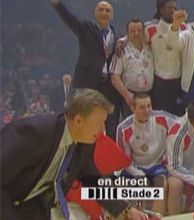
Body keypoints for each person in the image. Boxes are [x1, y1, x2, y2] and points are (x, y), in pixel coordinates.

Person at [1, 89, 147, 219]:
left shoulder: (83, 143)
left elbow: (92, 180)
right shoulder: (34, 134)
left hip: (33, 207)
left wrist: (125, 209)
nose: (103, 129)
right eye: (100, 122)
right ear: (78, 120)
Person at [51, 0, 120, 138]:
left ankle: (105, 157)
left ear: (112, 15)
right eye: (101, 9)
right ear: (95, 13)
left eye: (107, 10)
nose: (104, 13)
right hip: (87, 84)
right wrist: (58, 5)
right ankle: (81, 156)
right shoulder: (86, 29)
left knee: (109, 125)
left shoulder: (116, 36)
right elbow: (71, 20)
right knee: (84, 123)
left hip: (107, 87)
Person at [116, 93, 176, 215]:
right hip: (136, 167)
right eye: (142, 107)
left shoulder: (163, 118)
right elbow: (124, 161)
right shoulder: (123, 129)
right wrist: (138, 174)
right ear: (133, 109)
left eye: (149, 106)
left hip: (157, 164)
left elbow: (181, 125)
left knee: (161, 184)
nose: (147, 110)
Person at [146, 0, 187, 116]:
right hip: (159, 82)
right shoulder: (150, 29)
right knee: (160, 117)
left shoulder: (183, 28)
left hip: (178, 81)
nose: (173, 11)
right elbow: (133, 38)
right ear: (161, 10)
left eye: (174, 8)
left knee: (178, 117)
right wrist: (122, 42)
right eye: (169, 8)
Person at [111, 19, 154, 119]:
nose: (136, 33)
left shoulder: (151, 47)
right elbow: (114, 77)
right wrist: (127, 95)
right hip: (131, 96)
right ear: (128, 33)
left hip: (150, 95)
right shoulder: (121, 51)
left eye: (139, 30)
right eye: (132, 31)